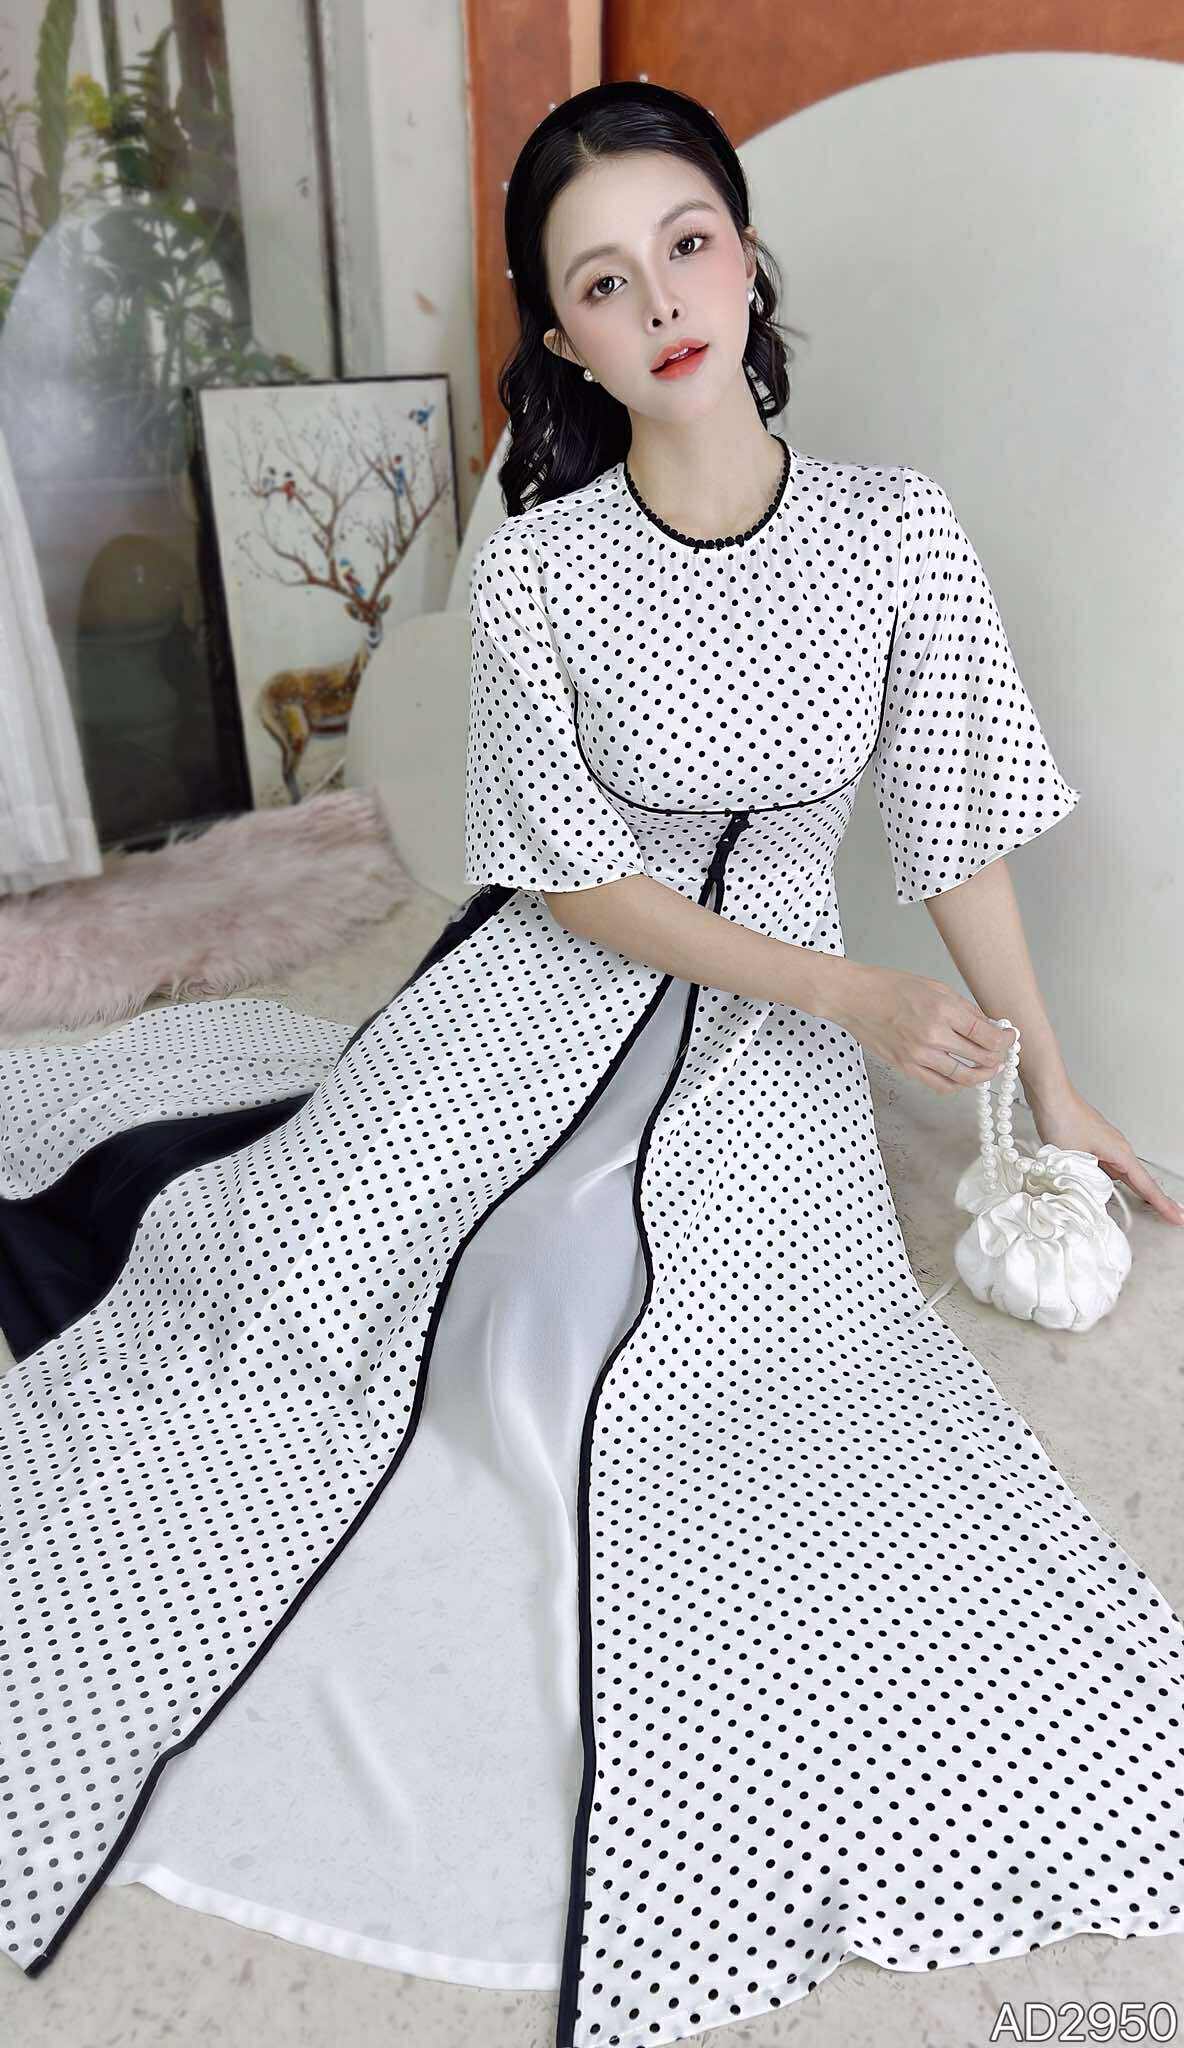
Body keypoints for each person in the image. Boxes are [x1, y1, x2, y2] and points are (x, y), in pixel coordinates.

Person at [2, 77, 1183, 2048]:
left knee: (690, 1391)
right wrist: (853, 999)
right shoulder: (547, 563)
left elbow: (957, 830)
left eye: (687, 247)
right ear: (561, 338)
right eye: (605, 283)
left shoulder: (896, 533)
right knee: (364, 1307)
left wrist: (1048, 1086)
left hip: (759, 1088)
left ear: (747, 256)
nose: (663, 305)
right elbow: (576, 885)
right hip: (543, 1002)